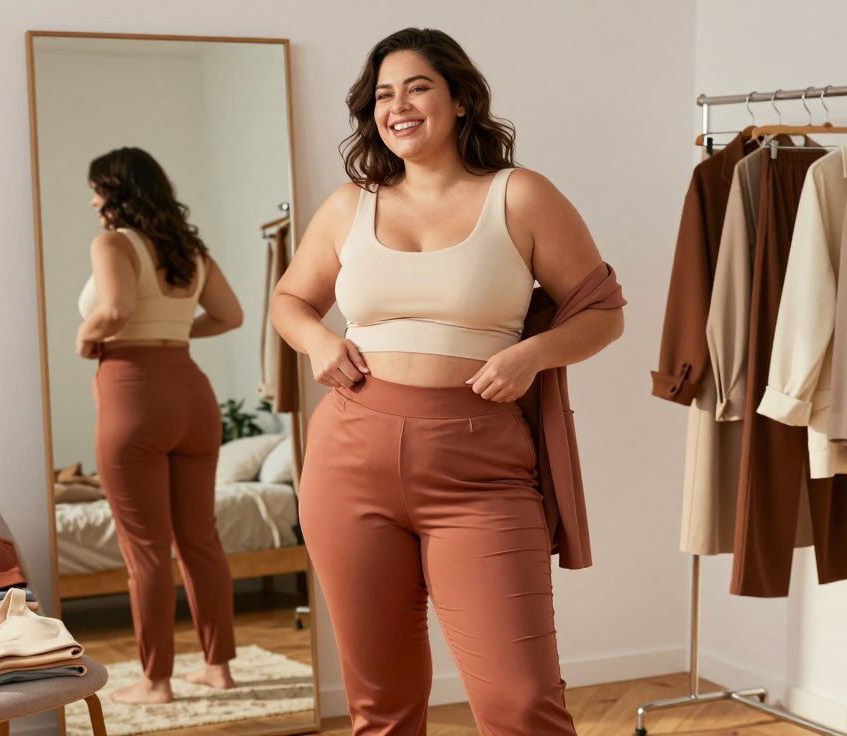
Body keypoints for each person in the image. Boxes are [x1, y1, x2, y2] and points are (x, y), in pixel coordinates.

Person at [270, 28, 624, 734]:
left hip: (480, 469)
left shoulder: (518, 196)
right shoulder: (350, 206)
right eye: (382, 95)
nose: (398, 106)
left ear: (460, 99)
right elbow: (290, 301)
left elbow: (603, 313)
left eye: (417, 87)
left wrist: (532, 355)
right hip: (348, 460)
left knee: (522, 701)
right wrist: (316, 341)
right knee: (382, 707)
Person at [76, 147, 243, 704]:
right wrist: (173, 335)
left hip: (133, 393)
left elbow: (117, 308)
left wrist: (86, 335)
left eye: (97, 188)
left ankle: (156, 682)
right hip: (192, 394)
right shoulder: (189, 251)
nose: (93, 199)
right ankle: (218, 668)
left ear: (116, 192)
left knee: (146, 550)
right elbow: (231, 315)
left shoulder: (113, 242)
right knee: (199, 539)